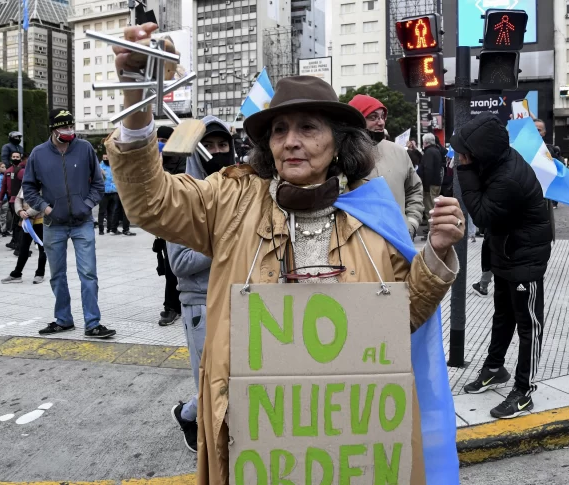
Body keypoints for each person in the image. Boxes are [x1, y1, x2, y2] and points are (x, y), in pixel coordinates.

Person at [109, 25, 463, 482]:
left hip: (345, 435)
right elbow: (150, 202)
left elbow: (398, 320)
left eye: (308, 128)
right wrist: (136, 106)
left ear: (338, 142)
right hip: (257, 434)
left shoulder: (374, 213)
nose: (290, 140)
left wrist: (434, 254)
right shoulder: (229, 199)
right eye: (279, 129)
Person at [454, 112, 552, 419]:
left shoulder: (507, 176)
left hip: (525, 258)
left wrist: (465, 172)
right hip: (507, 253)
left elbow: (481, 214)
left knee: (529, 326)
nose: (459, 156)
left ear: (480, 152)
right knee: (503, 317)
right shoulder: (494, 163)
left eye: (464, 152)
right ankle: (495, 369)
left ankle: (524, 391)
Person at [168, 116, 236, 452]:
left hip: (238, 299)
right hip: (200, 304)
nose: (217, 152)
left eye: (223, 145)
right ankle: (190, 418)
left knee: (233, 380)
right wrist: (226, 242)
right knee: (211, 384)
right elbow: (179, 262)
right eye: (209, 146)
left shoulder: (239, 192)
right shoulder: (183, 196)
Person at [23, 108, 115, 339]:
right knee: (57, 275)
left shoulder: (84, 149)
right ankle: (64, 320)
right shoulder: (38, 153)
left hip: (82, 222)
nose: (69, 131)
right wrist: (45, 208)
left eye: (71, 126)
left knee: (88, 273)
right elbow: (29, 187)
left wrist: (87, 205)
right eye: (64, 127)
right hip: (53, 223)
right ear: (53, 129)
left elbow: (98, 183)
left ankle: (93, 323)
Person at [348, 94, 424, 238]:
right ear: (356, 121)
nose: (381, 122)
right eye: (373, 117)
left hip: (398, 241)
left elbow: (414, 190)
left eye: (382, 117)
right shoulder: (340, 156)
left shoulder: (399, 152)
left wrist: (411, 224)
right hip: (356, 247)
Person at [155, 125, 184, 326]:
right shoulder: (152, 162)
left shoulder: (183, 158)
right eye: (159, 140)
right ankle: (171, 306)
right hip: (165, 222)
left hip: (185, 218)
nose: (162, 144)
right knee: (170, 266)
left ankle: (183, 302)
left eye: (166, 140)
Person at [1, 187, 46, 284]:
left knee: (43, 248)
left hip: (40, 221)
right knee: (23, 248)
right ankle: (17, 274)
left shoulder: (44, 182)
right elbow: (18, 198)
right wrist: (20, 211)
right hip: (27, 221)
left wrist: (28, 213)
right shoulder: (26, 183)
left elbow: (43, 201)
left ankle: (40, 274)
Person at [0, 151, 26, 250]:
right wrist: (0, 199)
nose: (15, 158)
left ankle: (18, 242)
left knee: (18, 221)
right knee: (15, 221)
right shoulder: (8, 171)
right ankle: (15, 240)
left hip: (21, 199)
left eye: (17, 156)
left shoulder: (23, 171)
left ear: (20, 158)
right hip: (11, 200)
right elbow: (3, 186)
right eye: (13, 156)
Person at [534, 118, 562, 209]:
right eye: (533, 129)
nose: (536, 132)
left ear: (543, 133)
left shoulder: (550, 150)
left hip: (544, 195)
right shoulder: (520, 148)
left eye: (538, 130)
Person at [420, 132, 444, 229]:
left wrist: (425, 186)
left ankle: (432, 230)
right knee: (434, 207)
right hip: (436, 183)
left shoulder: (429, 152)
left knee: (430, 208)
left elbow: (428, 169)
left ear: (425, 142)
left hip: (430, 185)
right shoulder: (436, 151)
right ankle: (434, 229)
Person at [98, 153, 119, 235]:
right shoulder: (100, 167)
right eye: (104, 157)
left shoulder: (113, 166)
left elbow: (114, 178)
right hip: (104, 192)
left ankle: (109, 228)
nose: (105, 159)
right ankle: (101, 229)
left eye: (107, 157)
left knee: (111, 211)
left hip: (113, 192)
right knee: (102, 211)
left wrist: (106, 175)